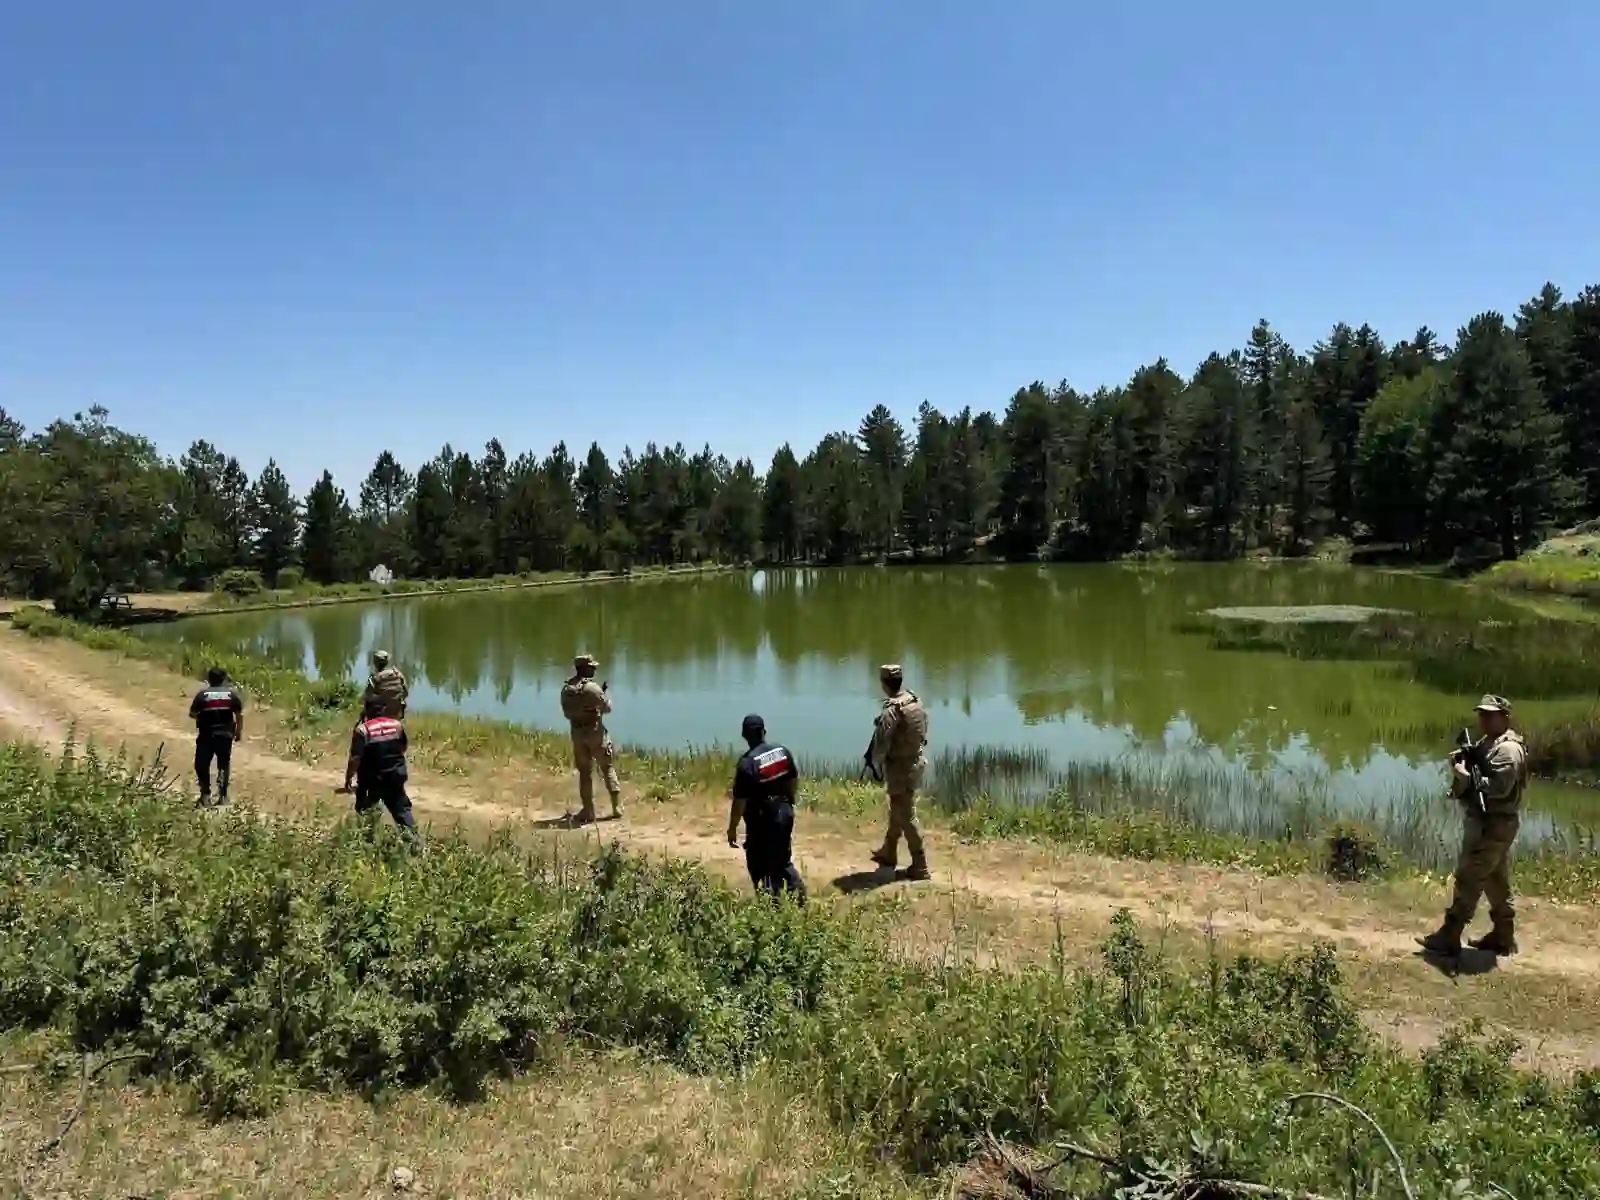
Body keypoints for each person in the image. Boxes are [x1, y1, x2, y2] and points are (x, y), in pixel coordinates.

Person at [1418, 694, 1529, 958]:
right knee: (1495, 879)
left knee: (1470, 876)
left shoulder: (1508, 750)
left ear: (1504, 717)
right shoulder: (1488, 743)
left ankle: (1450, 935)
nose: (1484, 718)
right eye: (1482, 713)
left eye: (1490, 714)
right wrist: (1463, 760)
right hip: (1491, 822)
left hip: (1493, 824)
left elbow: (1500, 789)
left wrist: (1465, 778)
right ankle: (1503, 936)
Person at [727, 713, 807, 902]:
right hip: (785, 812)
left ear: (744, 735)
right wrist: (790, 800)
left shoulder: (747, 764)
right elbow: (793, 780)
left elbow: (739, 802)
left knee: (759, 863)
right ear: (764, 732)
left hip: (762, 819)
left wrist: (732, 829)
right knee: (782, 859)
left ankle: (771, 905)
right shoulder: (782, 751)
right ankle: (799, 895)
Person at [867, 663, 931, 881]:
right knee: (898, 809)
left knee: (906, 815)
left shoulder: (891, 711)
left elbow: (881, 747)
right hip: (916, 761)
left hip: (900, 768)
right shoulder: (914, 701)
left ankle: (920, 864)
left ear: (884, 684)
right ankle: (889, 852)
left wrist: (875, 761)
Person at [341, 694, 417, 832]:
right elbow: (403, 747)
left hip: (372, 780)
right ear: (383, 709)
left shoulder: (363, 730)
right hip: (395, 775)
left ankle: (367, 844)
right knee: (402, 810)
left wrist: (348, 778)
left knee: (366, 812)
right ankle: (414, 845)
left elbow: (355, 759)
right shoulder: (396, 725)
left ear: (366, 709)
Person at [559, 652, 621, 823]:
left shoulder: (566, 689)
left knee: (585, 773)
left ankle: (588, 811)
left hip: (578, 735)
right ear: (583, 668)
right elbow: (607, 708)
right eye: (591, 666)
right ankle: (616, 807)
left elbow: (566, 713)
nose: (594, 668)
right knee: (607, 768)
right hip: (596, 734)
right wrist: (602, 697)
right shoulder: (593, 688)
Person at [188, 666, 243, 805]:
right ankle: (223, 796)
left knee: (201, 764)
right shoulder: (231, 695)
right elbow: (238, 715)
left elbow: (192, 714)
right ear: (223, 679)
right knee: (223, 764)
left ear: (209, 679)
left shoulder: (203, 695)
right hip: (225, 735)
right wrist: (238, 731)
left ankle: (205, 795)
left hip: (206, 735)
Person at [363, 649, 409, 719]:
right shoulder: (397, 674)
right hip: (397, 710)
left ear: (375, 663)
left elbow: (368, 696)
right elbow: (405, 693)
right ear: (387, 661)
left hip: (381, 711)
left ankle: (370, 722)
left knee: (368, 703)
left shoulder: (375, 678)